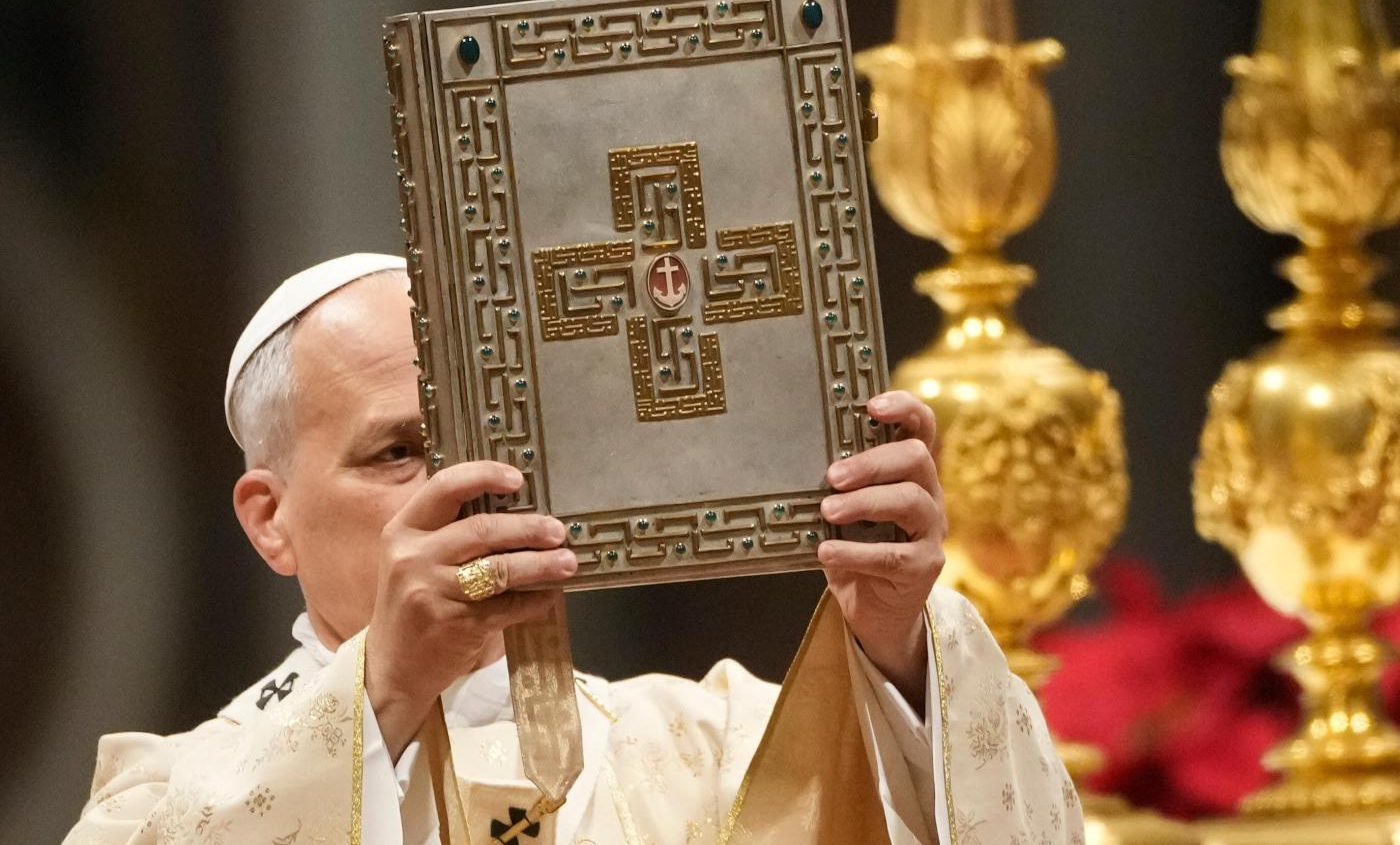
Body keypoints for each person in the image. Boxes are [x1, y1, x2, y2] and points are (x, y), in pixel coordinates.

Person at [64, 254, 1083, 845]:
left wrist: (896, 643)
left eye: (489, 442)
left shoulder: (708, 746)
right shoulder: (164, 800)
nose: (464, 490)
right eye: (399, 452)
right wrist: (385, 689)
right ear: (268, 517)